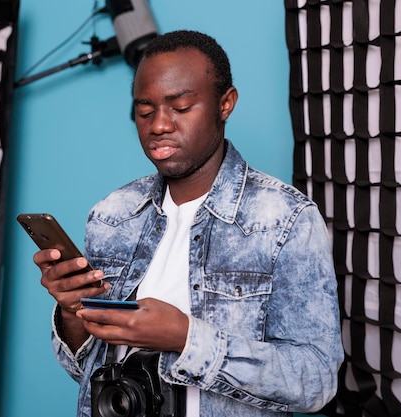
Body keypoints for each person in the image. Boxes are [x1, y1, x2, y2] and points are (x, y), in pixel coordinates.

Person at [34, 30, 343, 417]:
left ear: (225, 103)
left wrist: (185, 337)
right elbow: (85, 370)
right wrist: (71, 312)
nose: (159, 125)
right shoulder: (112, 215)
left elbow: (315, 381)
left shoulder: (285, 219)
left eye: (180, 107)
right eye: (145, 111)